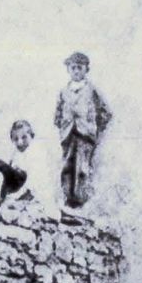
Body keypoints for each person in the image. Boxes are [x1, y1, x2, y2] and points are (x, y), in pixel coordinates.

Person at [54, 52, 112, 208]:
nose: (76, 71)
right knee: (67, 165)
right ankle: (67, 197)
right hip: (68, 134)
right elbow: (58, 113)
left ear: (87, 69)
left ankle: (80, 200)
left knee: (82, 167)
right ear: (68, 70)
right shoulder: (64, 91)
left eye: (80, 68)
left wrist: (95, 129)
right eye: (72, 68)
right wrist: (62, 125)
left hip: (85, 134)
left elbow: (106, 113)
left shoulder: (92, 90)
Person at [0, 120, 52, 210]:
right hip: (13, 184)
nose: (20, 142)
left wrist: (17, 197)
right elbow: (5, 173)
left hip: (22, 184)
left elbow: (33, 182)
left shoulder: (35, 152)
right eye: (16, 139)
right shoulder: (15, 153)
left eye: (24, 137)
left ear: (32, 136)